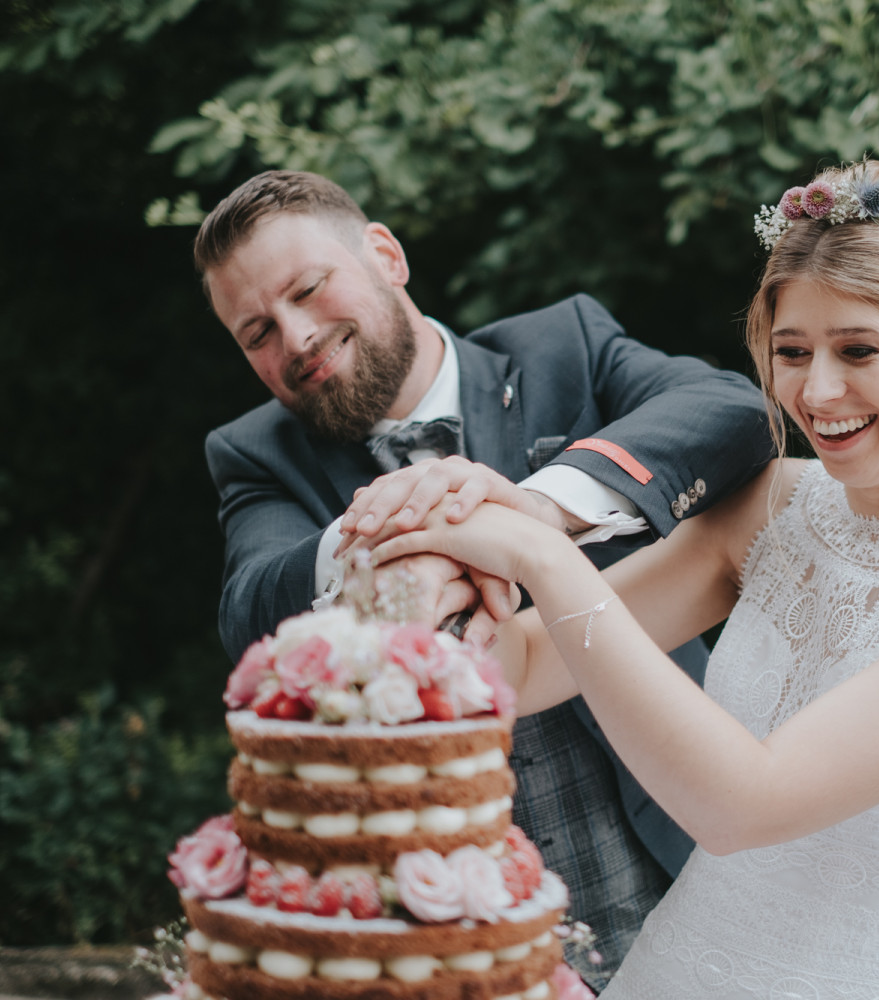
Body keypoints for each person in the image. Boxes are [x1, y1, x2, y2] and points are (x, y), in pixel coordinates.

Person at [341, 161, 879, 997]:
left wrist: (543, 553)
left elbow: (745, 806)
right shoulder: (772, 504)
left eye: (858, 350)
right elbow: (519, 670)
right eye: (792, 352)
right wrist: (432, 547)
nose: (818, 390)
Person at [194, 170, 775, 986]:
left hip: (682, 854)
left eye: (308, 289)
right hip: (451, 935)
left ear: (386, 256)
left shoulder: (564, 344)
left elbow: (732, 411)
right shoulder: (254, 453)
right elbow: (250, 609)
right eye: (257, 331)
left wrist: (533, 511)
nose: (294, 338)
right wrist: (405, 540)